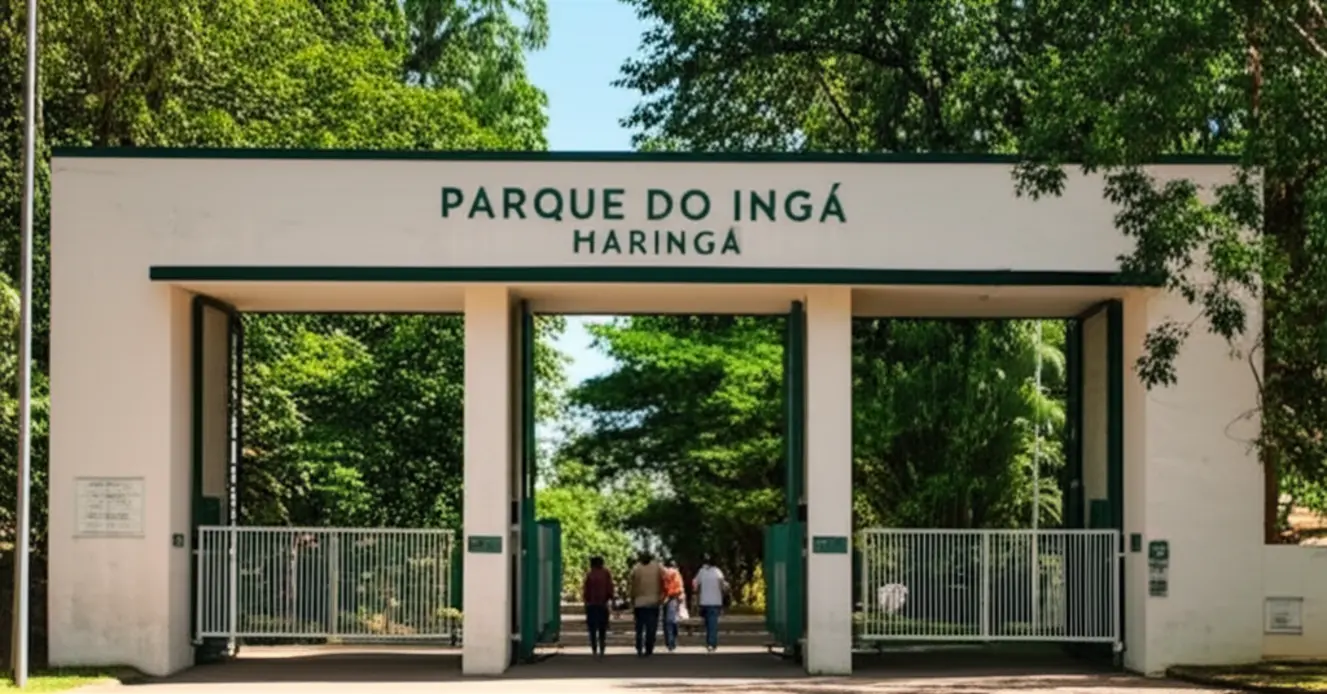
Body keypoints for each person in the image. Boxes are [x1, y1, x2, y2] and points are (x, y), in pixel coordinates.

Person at [628, 550, 666, 657]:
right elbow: (663, 581)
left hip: (639, 602)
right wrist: (662, 596)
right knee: (651, 627)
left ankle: (639, 646)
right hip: (653, 601)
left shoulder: (636, 568)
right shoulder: (658, 567)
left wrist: (632, 598)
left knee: (640, 627)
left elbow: (632, 585)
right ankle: (649, 648)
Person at [692, 555, 728, 652]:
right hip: (715, 601)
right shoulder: (717, 571)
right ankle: (711, 643)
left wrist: (697, 592)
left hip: (704, 601)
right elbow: (722, 584)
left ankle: (710, 642)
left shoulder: (701, 572)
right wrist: (724, 591)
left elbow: (695, 583)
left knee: (708, 623)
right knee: (713, 623)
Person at [581, 556, 614, 657]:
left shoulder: (589, 574)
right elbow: (610, 588)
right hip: (602, 604)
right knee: (602, 628)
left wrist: (586, 602)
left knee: (592, 628)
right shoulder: (606, 573)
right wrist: (611, 598)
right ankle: (602, 646)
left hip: (591, 605)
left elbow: (586, 590)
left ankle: (594, 647)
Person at [660, 559, 685, 652]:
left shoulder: (664, 574)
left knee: (667, 621)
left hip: (666, 598)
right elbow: (679, 588)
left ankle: (669, 642)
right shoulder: (676, 574)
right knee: (671, 620)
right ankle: (672, 641)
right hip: (673, 598)